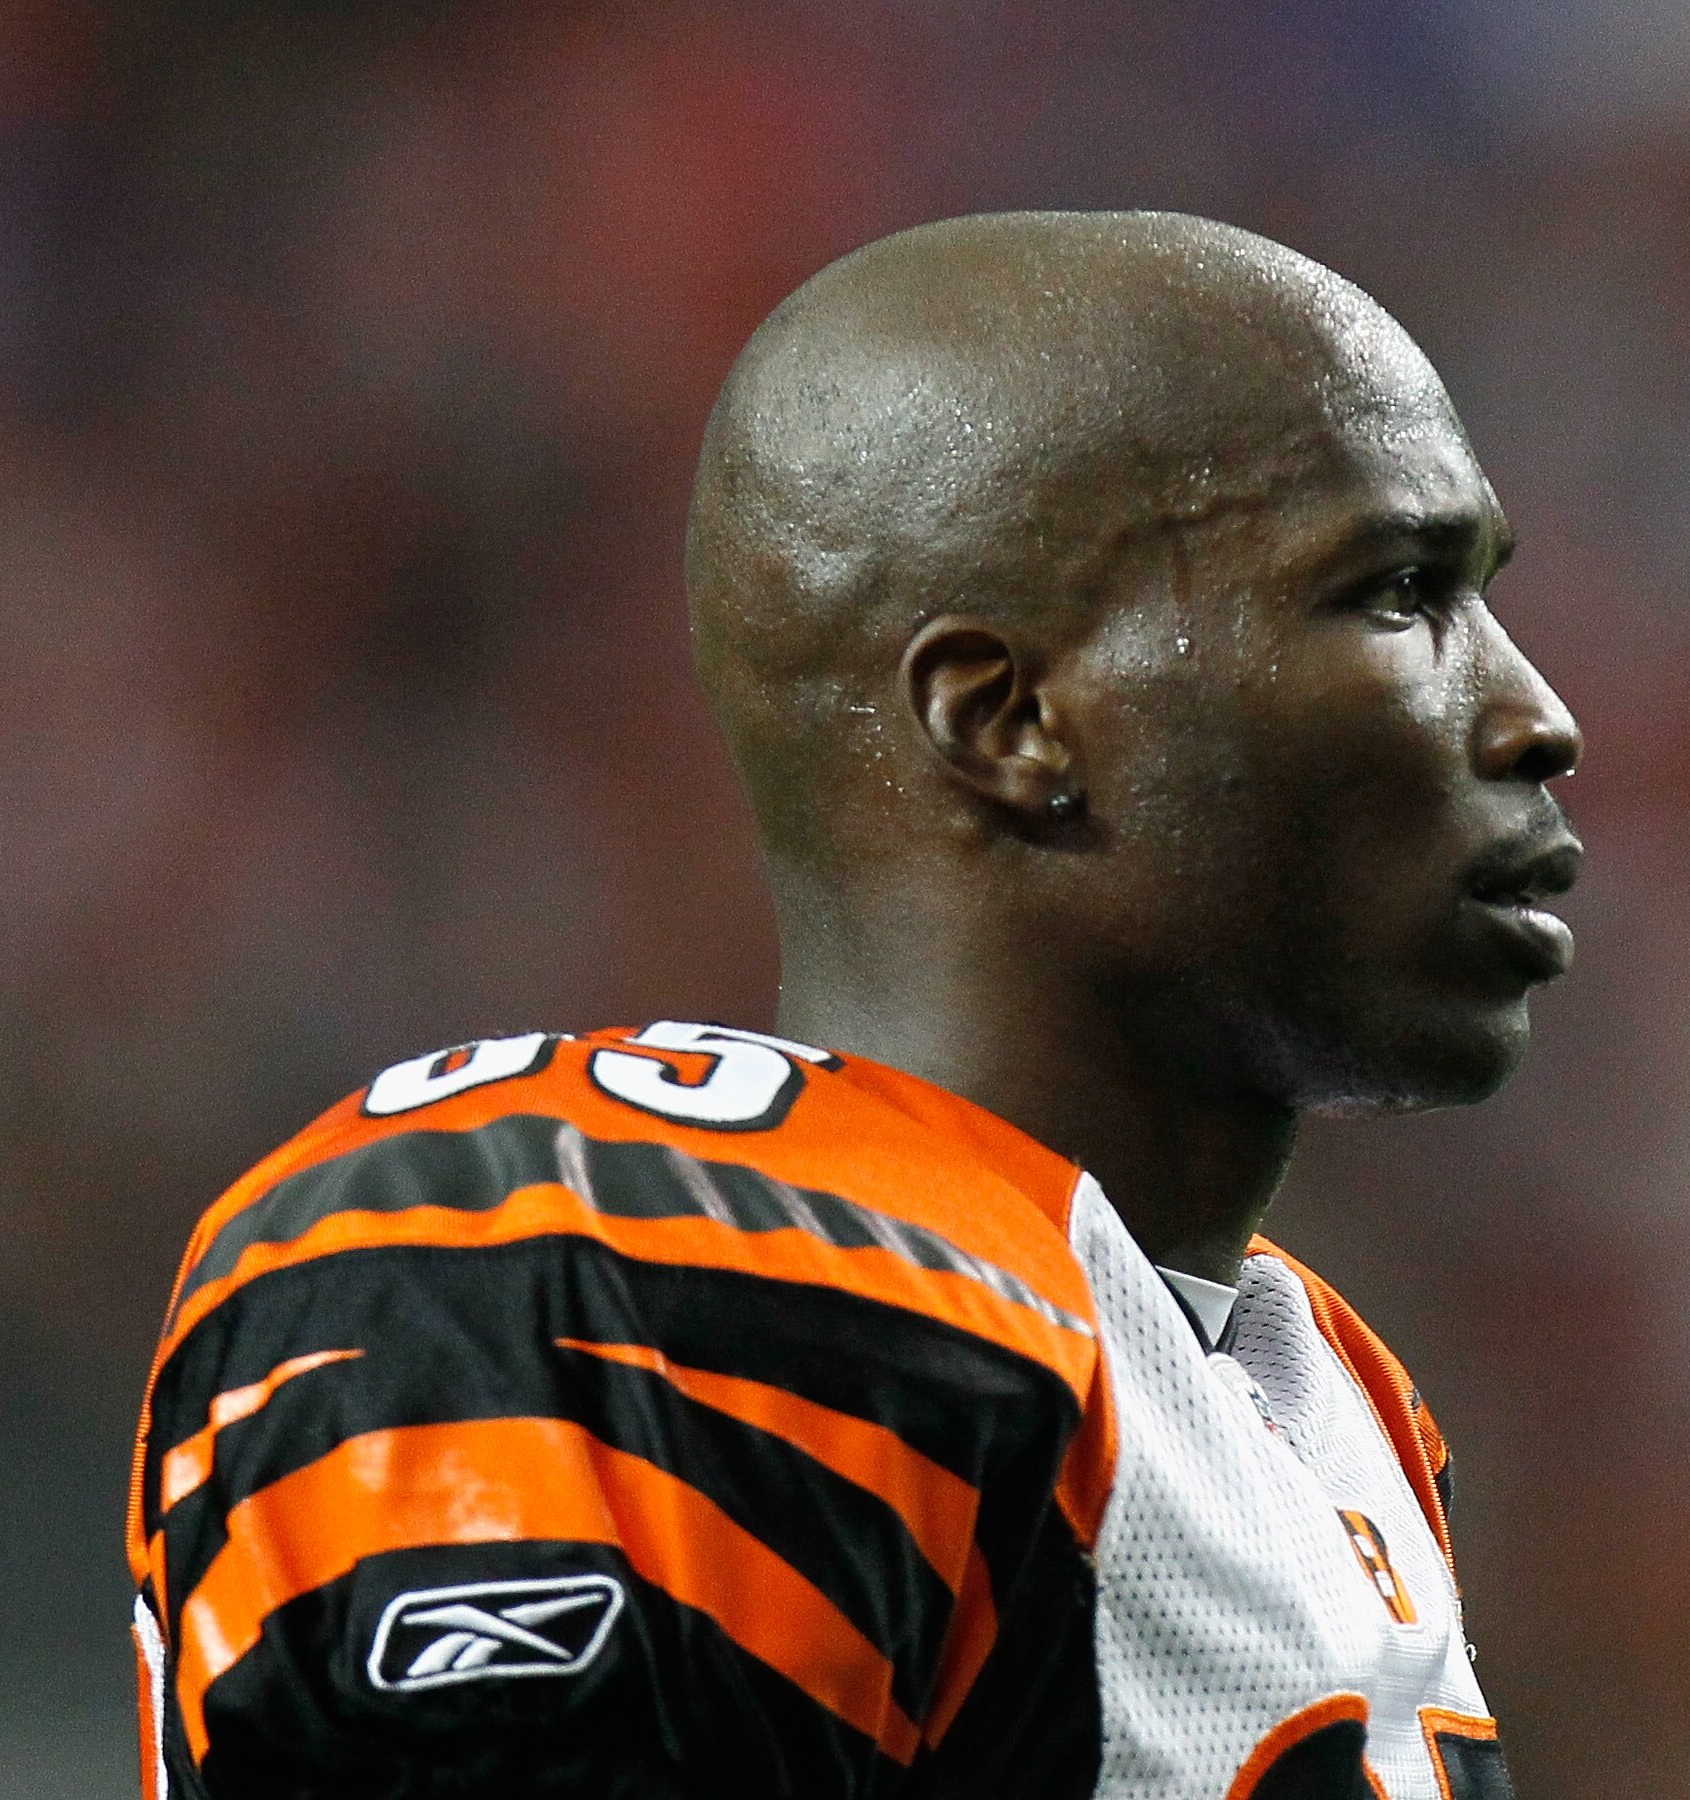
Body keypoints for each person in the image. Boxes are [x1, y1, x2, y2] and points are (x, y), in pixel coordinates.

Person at [126, 210, 1581, 1800]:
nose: (1533, 715)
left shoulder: (1313, 1388)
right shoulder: (634, 1264)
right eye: (1397, 593)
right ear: (1007, 717)